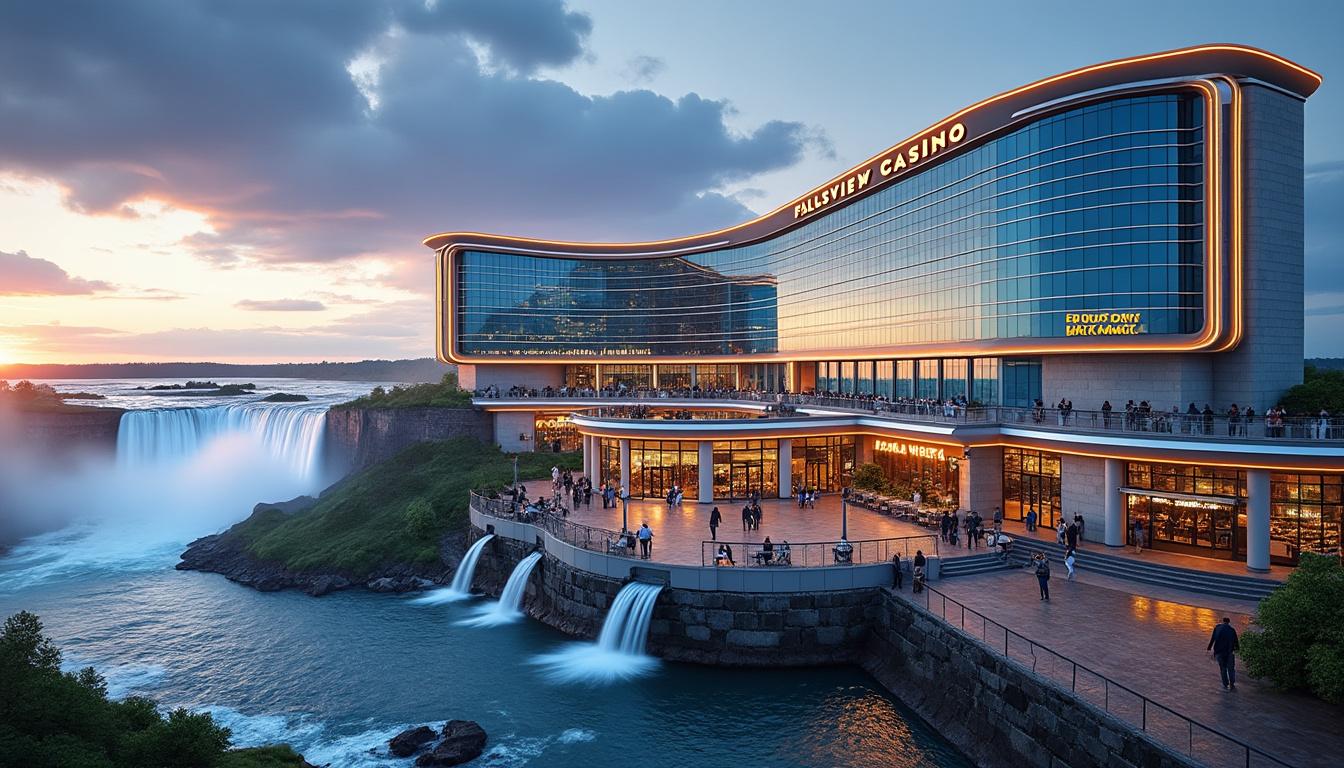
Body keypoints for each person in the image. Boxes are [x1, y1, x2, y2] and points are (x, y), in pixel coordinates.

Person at [1207, 617, 1241, 690]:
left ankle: (1225, 684)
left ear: (1222, 621)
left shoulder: (1217, 628)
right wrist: (1238, 649)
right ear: (1229, 622)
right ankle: (1232, 684)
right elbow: (1236, 641)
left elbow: (1212, 638)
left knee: (1223, 669)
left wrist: (1209, 648)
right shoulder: (1232, 630)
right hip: (1229, 652)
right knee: (1231, 669)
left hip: (1219, 652)